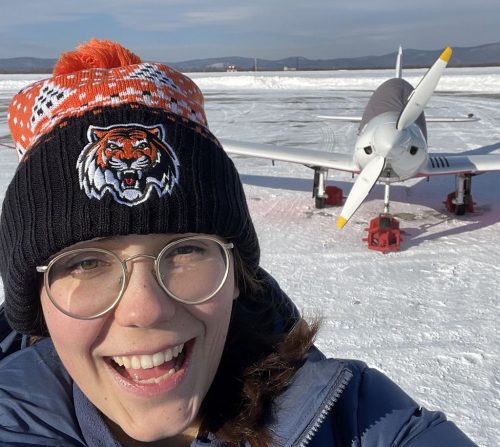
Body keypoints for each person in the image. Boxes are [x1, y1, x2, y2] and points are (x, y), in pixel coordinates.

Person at [0, 39, 476, 446]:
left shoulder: (360, 418)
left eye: (186, 249)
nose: (144, 310)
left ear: (236, 277)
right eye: (85, 263)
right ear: (35, 299)